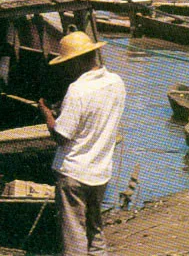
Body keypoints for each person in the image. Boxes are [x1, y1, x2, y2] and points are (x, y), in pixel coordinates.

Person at [37, 32, 125, 256]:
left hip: (74, 172)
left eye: (68, 64)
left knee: (74, 233)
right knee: (95, 229)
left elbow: (61, 136)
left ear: (78, 60)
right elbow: (95, 117)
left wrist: (47, 114)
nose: (66, 69)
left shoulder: (77, 90)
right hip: (101, 171)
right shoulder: (116, 83)